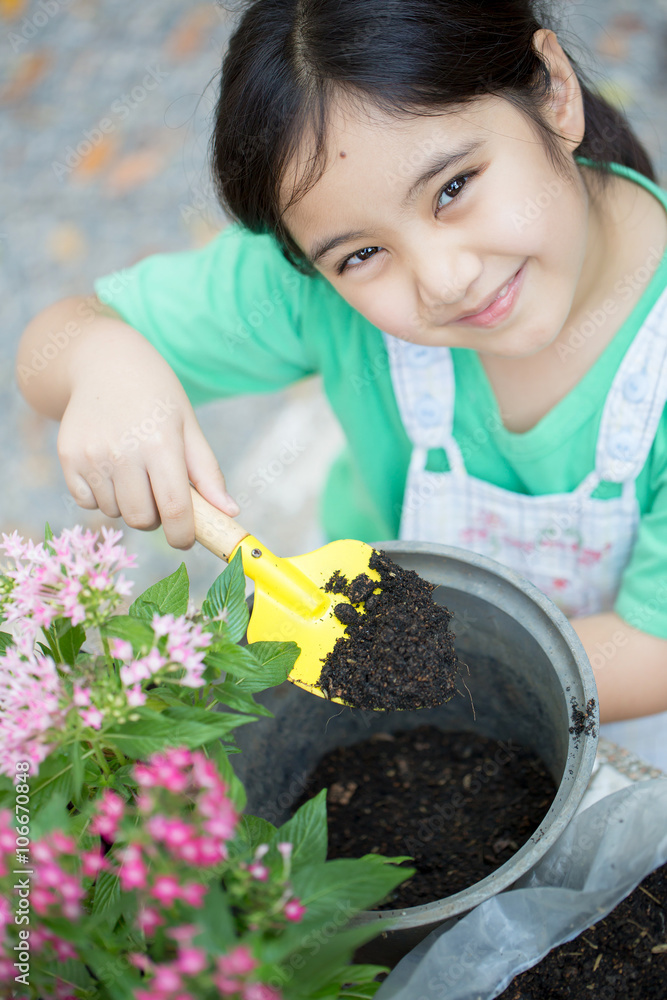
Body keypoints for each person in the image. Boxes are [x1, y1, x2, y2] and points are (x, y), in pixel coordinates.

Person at [17, 0, 667, 766]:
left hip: (607, 703)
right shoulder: (313, 291)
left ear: (553, 89)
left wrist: (413, 671)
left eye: (454, 187)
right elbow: (54, 342)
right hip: (370, 654)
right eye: (361, 255)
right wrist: (103, 362)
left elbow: (652, 648)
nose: (444, 279)